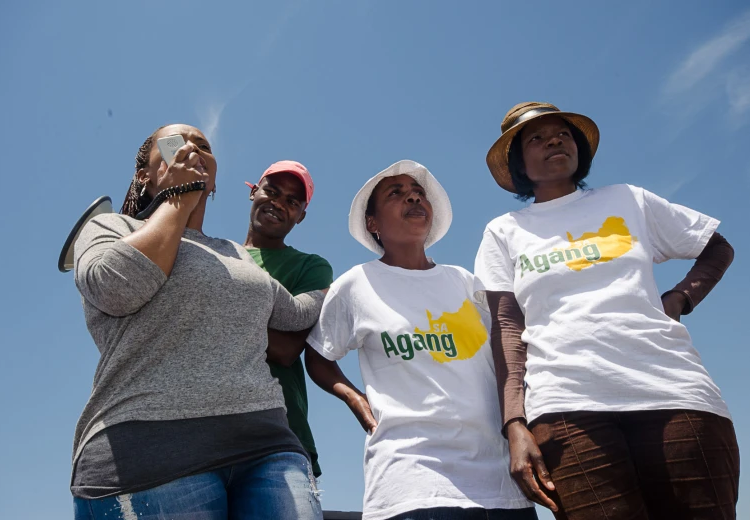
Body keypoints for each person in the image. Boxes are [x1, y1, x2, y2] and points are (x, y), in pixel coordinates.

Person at [475, 102, 738, 519]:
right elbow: (507, 327)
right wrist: (514, 423)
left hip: (676, 394)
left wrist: (679, 298)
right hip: (566, 408)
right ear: (518, 162)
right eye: (536, 138)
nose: (554, 141)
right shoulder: (504, 231)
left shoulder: (629, 200)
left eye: (562, 133)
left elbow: (717, 248)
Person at [70, 124, 325, 520]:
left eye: (203, 146)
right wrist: (176, 201)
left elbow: (295, 313)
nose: (191, 148)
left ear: (214, 181)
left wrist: (340, 290)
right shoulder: (112, 229)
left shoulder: (234, 254)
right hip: (152, 447)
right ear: (145, 175)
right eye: (174, 144)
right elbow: (117, 289)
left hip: (267, 446)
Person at [306, 160, 536, 520]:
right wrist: (353, 398)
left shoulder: (466, 282)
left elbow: (511, 351)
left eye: (418, 192)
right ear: (373, 224)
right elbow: (318, 354)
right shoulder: (356, 284)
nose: (413, 197)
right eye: (395, 193)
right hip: (410, 481)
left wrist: (519, 423)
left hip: (499, 482)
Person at [243, 160, 333, 478]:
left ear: (301, 216)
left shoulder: (310, 267)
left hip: (281, 435)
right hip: (204, 435)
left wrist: (213, 318)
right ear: (253, 191)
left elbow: (285, 349)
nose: (279, 203)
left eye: (292, 201)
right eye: (272, 191)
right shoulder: (216, 256)